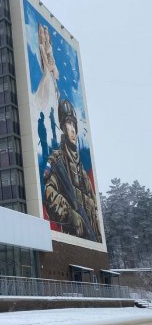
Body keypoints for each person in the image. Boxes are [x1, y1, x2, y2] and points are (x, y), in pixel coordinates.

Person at [43, 99, 102, 242]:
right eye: (68, 124)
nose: (73, 130)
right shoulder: (58, 161)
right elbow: (49, 193)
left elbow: (94, 207)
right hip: (71, 239)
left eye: (74, 124)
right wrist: (73, 217)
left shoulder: (81, 169)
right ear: (63, 128)